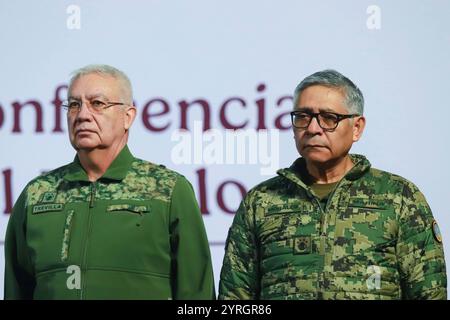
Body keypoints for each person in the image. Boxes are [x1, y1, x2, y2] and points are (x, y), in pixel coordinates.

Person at [219, 69, 447, 300]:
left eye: (329, 118)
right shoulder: (261, 201)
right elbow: (235, 298)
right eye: (302, 117)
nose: (313, 128)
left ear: (356, 128)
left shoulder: (399, 197)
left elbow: (429, 293)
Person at [4, 64, 215, 300]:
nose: (83, 114)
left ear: (128, 117)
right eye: (74, 105)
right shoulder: (36, 195)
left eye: (97, 103)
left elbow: (198, 296)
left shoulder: (168, 191)